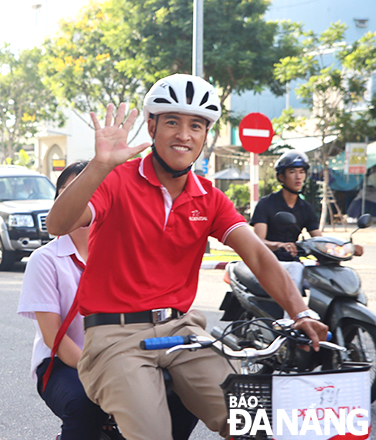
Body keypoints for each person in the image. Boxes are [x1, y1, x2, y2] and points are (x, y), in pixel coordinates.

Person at [45, 74, 328, 440]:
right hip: (115, 335)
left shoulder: (209, 197)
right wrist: (99, 166)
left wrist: (299, 311)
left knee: (255, 423)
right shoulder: (116, 179)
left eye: (196, 125)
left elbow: (257, 256)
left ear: (205, 135)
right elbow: (57, 224)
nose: (184, 134)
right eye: (173, 122)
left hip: (182, 332)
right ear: (152, 126)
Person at [19, 161, 198, 440]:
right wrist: (107, 372)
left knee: (186, 393)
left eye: (91, 190)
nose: (81, 199)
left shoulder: (129, 254)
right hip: (63, 366)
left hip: (126, 355)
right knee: (84, 405)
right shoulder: (45, 260)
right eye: (70, 191)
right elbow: (55, 338)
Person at [251, 150, 364, 261]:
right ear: (281, 177)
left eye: (301, 172)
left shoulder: (305, 208)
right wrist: (279, 245)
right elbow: (258, 241)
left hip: (293, 261)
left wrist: (347, 248)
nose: (298, 177)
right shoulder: (266, 204)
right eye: (292, 172)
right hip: (267, 262)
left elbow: (319, 239)